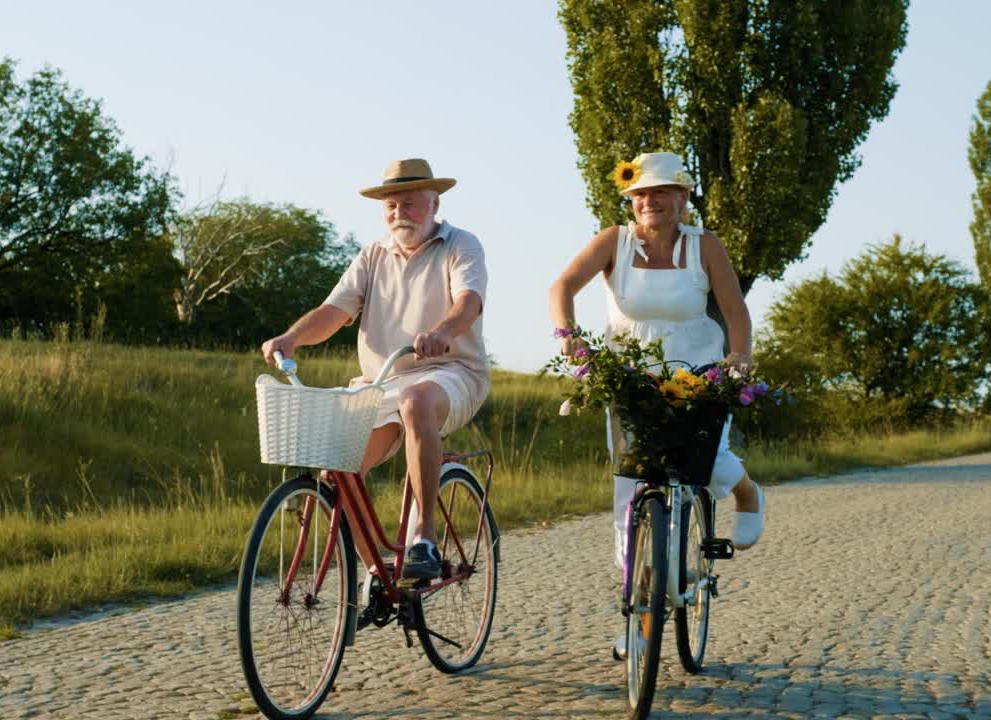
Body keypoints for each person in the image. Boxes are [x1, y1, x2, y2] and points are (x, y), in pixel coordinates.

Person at [547, 151, 764, 655]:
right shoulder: (613, 242)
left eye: (662, 191)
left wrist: (740, 357)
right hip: (630, 376)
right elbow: (562, 285)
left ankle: (746, 491)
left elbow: (735, 311)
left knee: (702, 463)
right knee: (630, 487)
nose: (650, 200)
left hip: (698, 370)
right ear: (631, 200)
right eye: (641, 193)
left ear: (683, 198)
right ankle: (635, 614)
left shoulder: (704, 245)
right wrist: (569, 336)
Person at [261, 158, 490, 580]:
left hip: (451, 372)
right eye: (391, 206)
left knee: (416, 399)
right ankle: (377, 578)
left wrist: (441, 332)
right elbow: (333, 311)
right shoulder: (372, 255)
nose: (399, 213)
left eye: (409, 203)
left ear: (434, 203)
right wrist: (291, 337)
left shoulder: (461, 245)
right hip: (381, 382)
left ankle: (424, 538)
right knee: (338, 471)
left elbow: (468, 304)